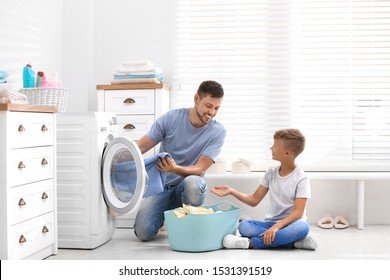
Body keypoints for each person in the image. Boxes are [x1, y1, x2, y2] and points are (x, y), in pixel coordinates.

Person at [134, 80, 226, 241]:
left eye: (216, 108)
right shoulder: (171, 118)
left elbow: (200, 168)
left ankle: (187, 222)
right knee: (143, 233)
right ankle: (166, 214)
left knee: (193, 184)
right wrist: (116, 155)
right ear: (196, 98)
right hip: (161, 186)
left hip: (187, 188)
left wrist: (175, 169)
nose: (212, 112)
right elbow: (141, 146)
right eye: (208, 106)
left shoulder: (217, 132)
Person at [211, 128, 317, 250]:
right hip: (270, 224)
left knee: (302, 228)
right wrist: (232, 191)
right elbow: (254, 200)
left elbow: (298, 212)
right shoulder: (271, 173)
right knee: (244, 226)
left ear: (287, 153)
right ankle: (292, 242)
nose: (271, 148)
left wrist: (276, 228)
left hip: (292, 223)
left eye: (275, 146)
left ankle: (250, 243)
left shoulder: (301, 178)